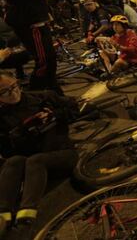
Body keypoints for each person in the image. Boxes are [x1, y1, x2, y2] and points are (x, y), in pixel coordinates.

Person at [0, 73, 79, 236]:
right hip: (31, 165)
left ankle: (25, 221)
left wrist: (53, 115)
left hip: (62, 153)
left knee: (36, 160)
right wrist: (21, 131)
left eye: (14, 86)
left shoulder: (43, 97)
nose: (13, 93)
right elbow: (7, 151)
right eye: (5, 92)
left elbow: (73, 108)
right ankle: (3, 215)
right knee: (13, 161)